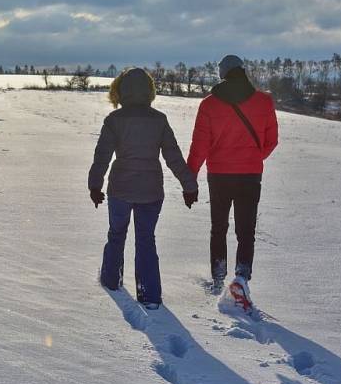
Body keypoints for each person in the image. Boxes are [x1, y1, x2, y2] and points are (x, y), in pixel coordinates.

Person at [89, 67, 199, 310]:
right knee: (146, 239)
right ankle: (149, 294)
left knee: (116, 234)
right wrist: (189, 186)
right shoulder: (158, 120)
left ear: (120, 90)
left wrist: (95, 185)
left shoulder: (114, 120)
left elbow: (102, 157)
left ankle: (111, 281)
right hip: (151, 191)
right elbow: (174, 157)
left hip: (120, 189)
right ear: (149, 90)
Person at [186, 55, 279, 311]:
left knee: (219, 227)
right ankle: (241, 278)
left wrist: (189, 179)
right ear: (242, 72)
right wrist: (251, 158)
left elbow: (199, 147)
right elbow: (271, 141)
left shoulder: (209, 105)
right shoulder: (264, 101)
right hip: (250, 175)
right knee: (246, 229)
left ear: (222, 75)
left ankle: (218, 278)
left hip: (219, 175)